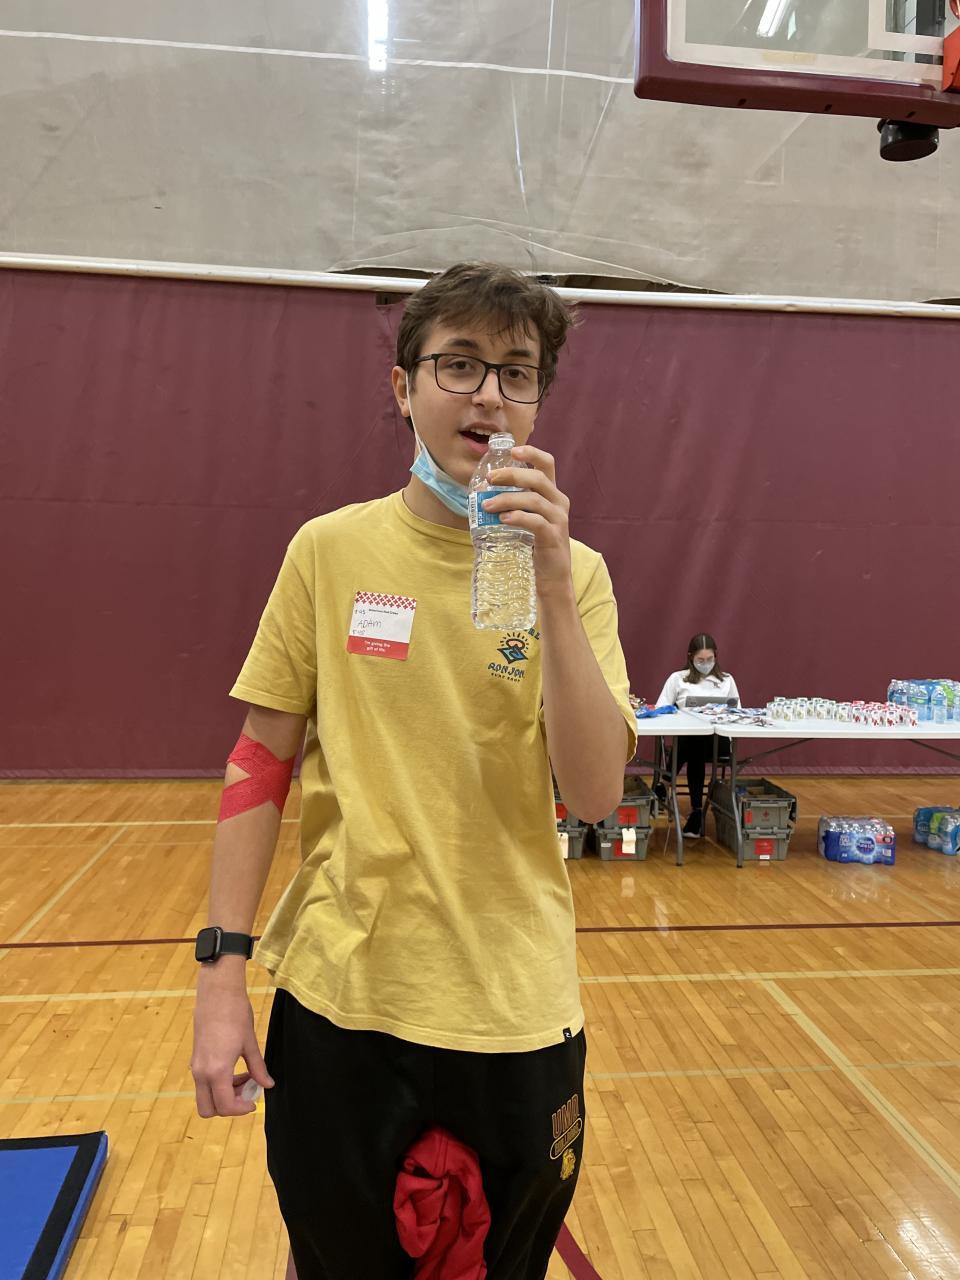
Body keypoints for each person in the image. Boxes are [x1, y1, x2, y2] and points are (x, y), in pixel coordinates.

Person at [190, 262, 637, 1280]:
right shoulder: (328, 550)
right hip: (341, 1001)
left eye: (517, 371)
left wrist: (553, 586)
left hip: (515, 1009)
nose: (488, 394)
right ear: (403, 386)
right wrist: (222, 980)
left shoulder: (580, 577)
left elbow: (597, 794)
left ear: (538, 400)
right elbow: (260, 760)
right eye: (459, 364)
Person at [655, 632, 739, 839]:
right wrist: (678, 715)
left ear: (716, 656)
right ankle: (696, 812)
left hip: (717, 740)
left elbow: (738, 712)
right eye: (701, 660)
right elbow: (661, 708)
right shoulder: (678, 679)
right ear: (690, 657)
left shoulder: (726, 680)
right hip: (689, 739)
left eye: (710, 659)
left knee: (694, 743)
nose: (705, 664)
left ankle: (665, 782)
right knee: (694, 741)